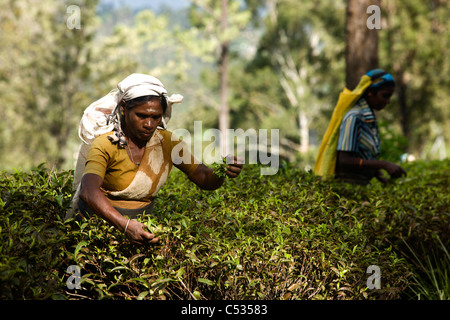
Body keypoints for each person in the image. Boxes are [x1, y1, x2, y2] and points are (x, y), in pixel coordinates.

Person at [69, 73, 243, 245]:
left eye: (155, 117)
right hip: (97, 233)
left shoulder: (166, 142)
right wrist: (125, 226)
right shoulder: (106, 144)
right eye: (142, 116)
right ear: (124, 108)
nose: (149, 124)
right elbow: (88, 190)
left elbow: (204, 177)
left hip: (141, 234)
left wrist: (222, 170)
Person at [314, 69, 406, 185]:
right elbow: (344, 160)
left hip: (360, 186)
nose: (388, 101)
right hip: (346, 188)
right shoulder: (354, 117)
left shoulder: (369, 118)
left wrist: (380, 175)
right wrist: (384, 164)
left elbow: (362, 156)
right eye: (385, 96)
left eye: (390, 97)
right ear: (370, 92)